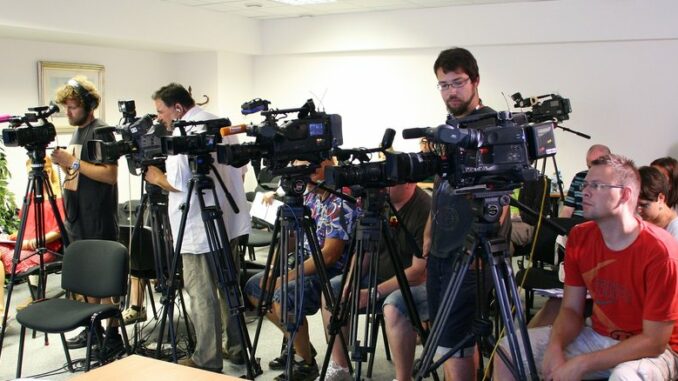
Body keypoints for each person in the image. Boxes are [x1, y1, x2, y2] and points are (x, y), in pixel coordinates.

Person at [494, 154, 678, 380]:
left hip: (655, 351)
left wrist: (581, 364)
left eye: (597, 185)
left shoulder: (661, 251)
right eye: (586, 184)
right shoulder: (579, 236)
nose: (585, 191)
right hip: (598, 335)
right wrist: (555, 346)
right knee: (508, 349)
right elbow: (571, 309)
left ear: (625, 195)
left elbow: (654, 342)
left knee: (626, 377)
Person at [144, 83, 250, 373]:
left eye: (161, 111)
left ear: (178, 107)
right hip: (225, 223)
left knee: (202, 294)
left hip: (197, 229)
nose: (159, 119)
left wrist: (155, 177)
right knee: (228, 287)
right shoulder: (219, 123)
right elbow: (241, 167)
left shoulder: (183, 135)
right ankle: (238, 349)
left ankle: (207, 359)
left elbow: (178, 182)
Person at [422, 47, 511, 380]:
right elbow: (440, 182)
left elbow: (501, 198)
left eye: (457, 82)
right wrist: (429, 233)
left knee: (456, 343)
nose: (451, 91)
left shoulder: (493, 126)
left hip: (473, 252)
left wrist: (483, 247)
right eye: (443, 85)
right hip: (442, 250)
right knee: (446, 339)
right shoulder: (449, 127)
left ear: (475, 81)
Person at [245, 159, 357, 381]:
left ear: (330, 162)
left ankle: (305, 363)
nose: (309, 169)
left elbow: (329, 255)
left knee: (282, 295)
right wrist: (272, 270)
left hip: (331, 271)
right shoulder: (309, 196)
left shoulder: (341, 201)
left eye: (313, 163)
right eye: (302, 165)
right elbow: (290, 236)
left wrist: (286, 277)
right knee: (254, 288)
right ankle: (301, 345)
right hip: (303, 261)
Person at [320, 182, 431, 381]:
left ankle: (403, 378)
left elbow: (418, 272)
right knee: (333, 291)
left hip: (417, 284)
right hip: (379, 277)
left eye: (390, 180)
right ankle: (341, 367)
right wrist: (350, 282)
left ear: (408, 182)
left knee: (394, 306)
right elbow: (364, 253)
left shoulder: (424, 208)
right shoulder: (380, 205)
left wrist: (373, 292)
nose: (383, 185)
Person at [51, 76, 120, 353]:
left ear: (89, 105)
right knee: (86, 279)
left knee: (104, 279)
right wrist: (64, 164)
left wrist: (72, 162)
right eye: (65, 107)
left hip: (98, 217)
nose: (67, 113)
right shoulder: (78, 131)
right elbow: (77, 172)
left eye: (72, 107)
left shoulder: (102, 130)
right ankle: (92, 328)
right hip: (77, 215)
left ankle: (113, 336)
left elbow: (110, 175)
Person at [0, 157, 64, 322]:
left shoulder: (58, 196)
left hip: (46, 247)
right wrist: (14, 236)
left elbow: (60, 229)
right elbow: (26, 225)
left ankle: (1, 314)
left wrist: (36, 240)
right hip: (25, 246)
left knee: (4, 258)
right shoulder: (30, 195)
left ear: (48, 170)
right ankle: (1, 312)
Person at [559, 144, 611, 218]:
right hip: (576, 224)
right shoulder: (579, 177)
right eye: (589, 166)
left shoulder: (615, 183)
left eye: (596, 166)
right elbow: (567, 210)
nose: (592, 170)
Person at [638, 165, 678, 239]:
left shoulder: (675, 230)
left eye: (643, 205)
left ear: (661, 198)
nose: (638, 210)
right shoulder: (645, 220)